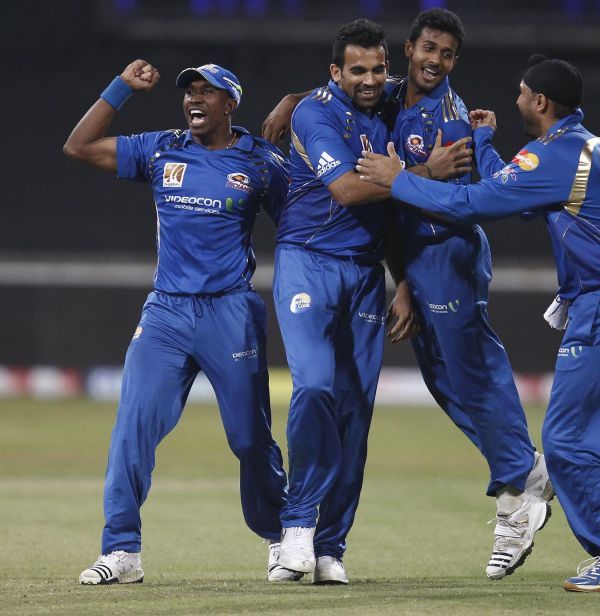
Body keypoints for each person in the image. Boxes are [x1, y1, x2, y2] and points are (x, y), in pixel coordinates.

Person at [356, 54, 600, 593]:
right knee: (588, 435)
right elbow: (507, 182)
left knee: (565, 440)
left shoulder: (559, 153)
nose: (517, 99)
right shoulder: (572, 144)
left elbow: (476, 201)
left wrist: (400, 178)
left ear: (541, 102)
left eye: (522, 93)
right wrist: (481, 140)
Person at [263, 8, 554, 582]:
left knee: (471, 371)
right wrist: (296, 98)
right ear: (410, 50)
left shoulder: (451, 124)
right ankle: (521, 474)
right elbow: (353, 88)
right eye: (428, 50)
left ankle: (520, 484)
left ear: (453, 62)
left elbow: (453, 201)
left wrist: (423, 179)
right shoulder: (391, 97)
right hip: (405, 262)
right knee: (444, 380)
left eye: (446, 55)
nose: (435, 61)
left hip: (445, 252)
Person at [63, 60, 291, 585]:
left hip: (230, 310)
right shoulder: (161, 147)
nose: (193, 99)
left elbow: (301, 227)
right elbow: (78, 146)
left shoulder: (261, 162)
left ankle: (281, 538)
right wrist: (120, 87)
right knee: (132, 428)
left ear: (230, 105)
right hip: (165, 311)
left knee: (250, 439)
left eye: (207, 93)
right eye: (189, 90)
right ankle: (122, 551)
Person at [271, 18, 423, 586]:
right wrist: (424, 172)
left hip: (366, 273)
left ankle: (331, 545)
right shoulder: (315, 113)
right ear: (335, 72)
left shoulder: (388, 106)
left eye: (378, 69)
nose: (369, 79)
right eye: (356, 70)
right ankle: (296, 529)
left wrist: (403, 279)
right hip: (308, 259)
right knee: (313, 385)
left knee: (355, 411)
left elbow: (389, 214)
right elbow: (349, 189)